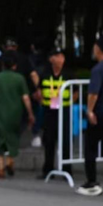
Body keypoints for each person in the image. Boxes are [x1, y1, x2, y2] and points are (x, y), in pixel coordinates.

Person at [0, 52, 35, 179]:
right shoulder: (19, 78)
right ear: (14, 66)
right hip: (15, 112)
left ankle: (0, 169)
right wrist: (30, 113)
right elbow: (26, 98)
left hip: (0, 112)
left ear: (2, 65)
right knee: (13, 137)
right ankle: (10, 162)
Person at [30, 47, 74, 179]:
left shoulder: (68, 73)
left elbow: (76, 91)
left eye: (61, 56)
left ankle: (67, 170)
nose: (59, 59)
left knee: (65, 140)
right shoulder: (45, 73)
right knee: (49, 140)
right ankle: (48, 170)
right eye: (56, 56)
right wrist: (39, 97)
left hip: (64, 110)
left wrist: (70, 101)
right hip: (49, 110)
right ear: (51, 59)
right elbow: (38, 90)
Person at [76, 35, 103, 197]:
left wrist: (89, 110)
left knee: (90, 148)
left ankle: (92, 183)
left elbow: (93, 93)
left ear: (97, 49)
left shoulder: (98, 70)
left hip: (100, 114)